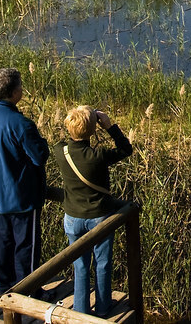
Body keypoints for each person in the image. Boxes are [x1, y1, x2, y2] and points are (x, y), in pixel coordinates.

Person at [0, 67, 50, 296]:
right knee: (26, 246)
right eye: (21, 86)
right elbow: (39, 156)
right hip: (21, 196)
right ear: (14, 92)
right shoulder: (21, 124)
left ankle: (3, 285)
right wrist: (42, 142)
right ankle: (30, 291)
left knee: (2, 243)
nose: (22, 89)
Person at [54, 105, 133, 317]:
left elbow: (64, 140)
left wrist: (80, 122)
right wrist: (109, 126)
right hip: (99, 218)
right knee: (102, 264)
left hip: (72, 217)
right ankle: (103, 308)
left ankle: (80, 311)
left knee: (80, 266)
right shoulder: (98, 155)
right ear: (92, 130)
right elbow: (126, 149)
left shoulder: (60, 151)